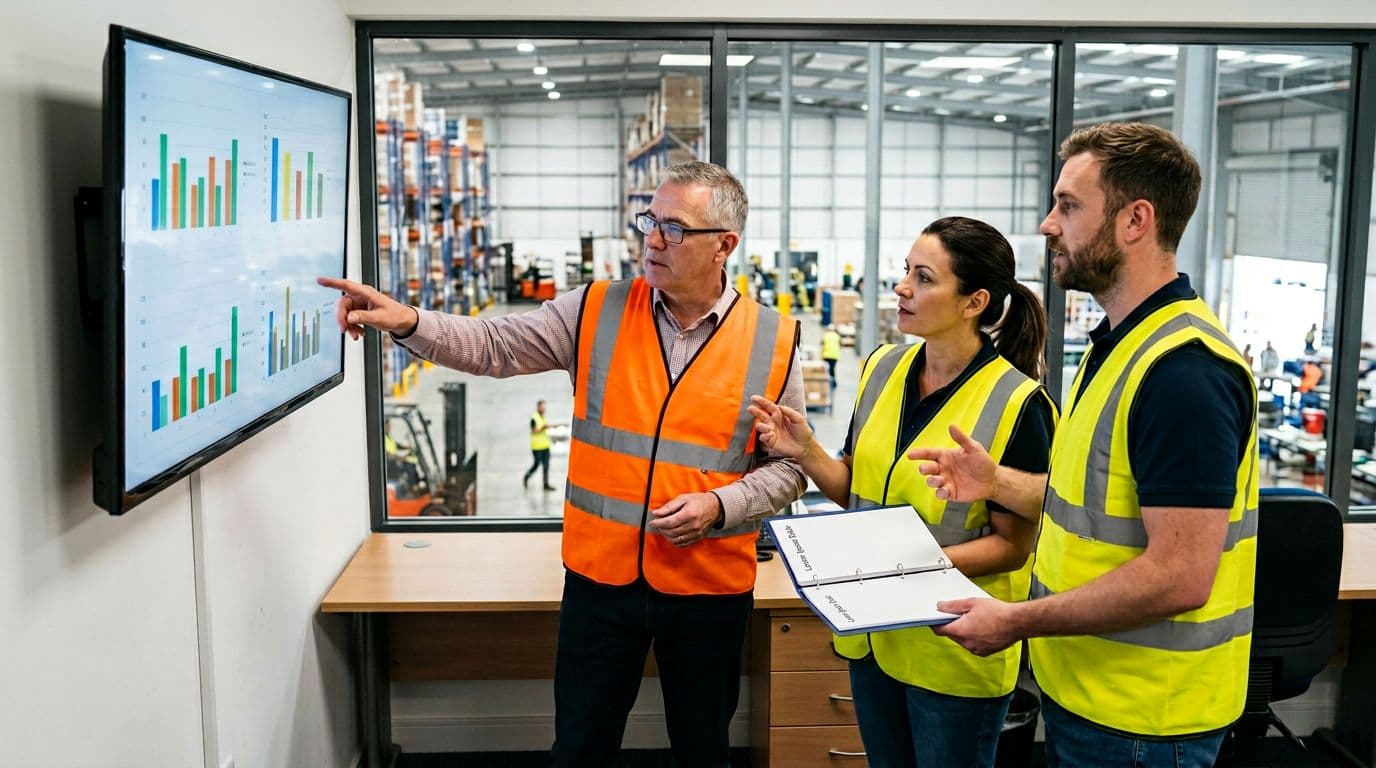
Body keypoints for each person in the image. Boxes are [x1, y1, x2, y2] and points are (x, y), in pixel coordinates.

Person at [319, 161, 805, 767]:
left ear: (724, 245)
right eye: (649, 221)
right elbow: (495, 347)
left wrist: (720, 505)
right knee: (579, 746)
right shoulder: (596, 310)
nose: (652, 240)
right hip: (601, 583)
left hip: (707, 588)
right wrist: (411, 322)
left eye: (674, 229)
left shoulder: (773, 340)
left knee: (703, 748)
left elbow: (790, 469)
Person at [911, 122, 1258, 767]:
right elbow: (1103, 507)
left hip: (1145, 719)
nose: (1048, 225)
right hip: (1092, 693)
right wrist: (998, 484)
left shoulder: (1183, 372)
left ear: (1135, 220)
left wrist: (1012, 621)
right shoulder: (1118, 347)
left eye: (1069, 205)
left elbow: (1181, 577)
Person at [749, 216, 1055, 768]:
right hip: (874, 639)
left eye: (923, 277)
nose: (901, 288)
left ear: (974, 301)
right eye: (904, 272)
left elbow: (1014, 546)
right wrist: (808, 451)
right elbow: (858, 490)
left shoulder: (1018, 403)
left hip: (952, 648)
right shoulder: (881, 369)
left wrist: (898, 566)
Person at [523, 399, 556, 491]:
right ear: (538, 407)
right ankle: (527, 475)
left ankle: (546, 484)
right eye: (542, 407)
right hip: (537, 447)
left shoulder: (543, 417)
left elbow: (544, 430)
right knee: (536, 464)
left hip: (545, 446)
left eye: (544, 407)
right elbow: (533, 430)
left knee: (546, 465)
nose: (544, 409)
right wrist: (543, 428)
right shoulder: (534, 418)